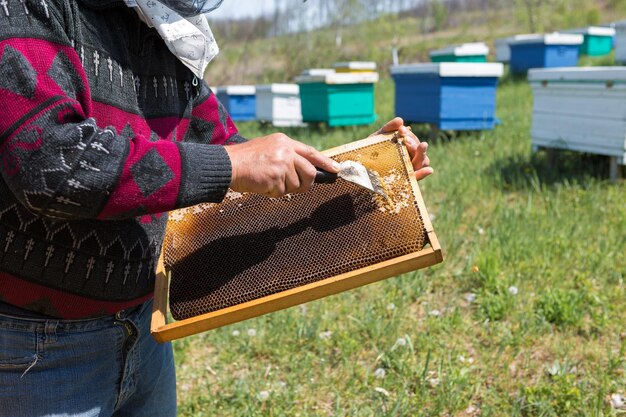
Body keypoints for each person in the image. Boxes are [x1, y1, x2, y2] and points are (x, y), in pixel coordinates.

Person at [0, 0, 432, 415]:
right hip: (35, 351)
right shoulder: (24, 9)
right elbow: (49, 164)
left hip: (143, 332)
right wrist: (235, 164)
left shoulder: (160, 26)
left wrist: (352, 173)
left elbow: (236, 156)